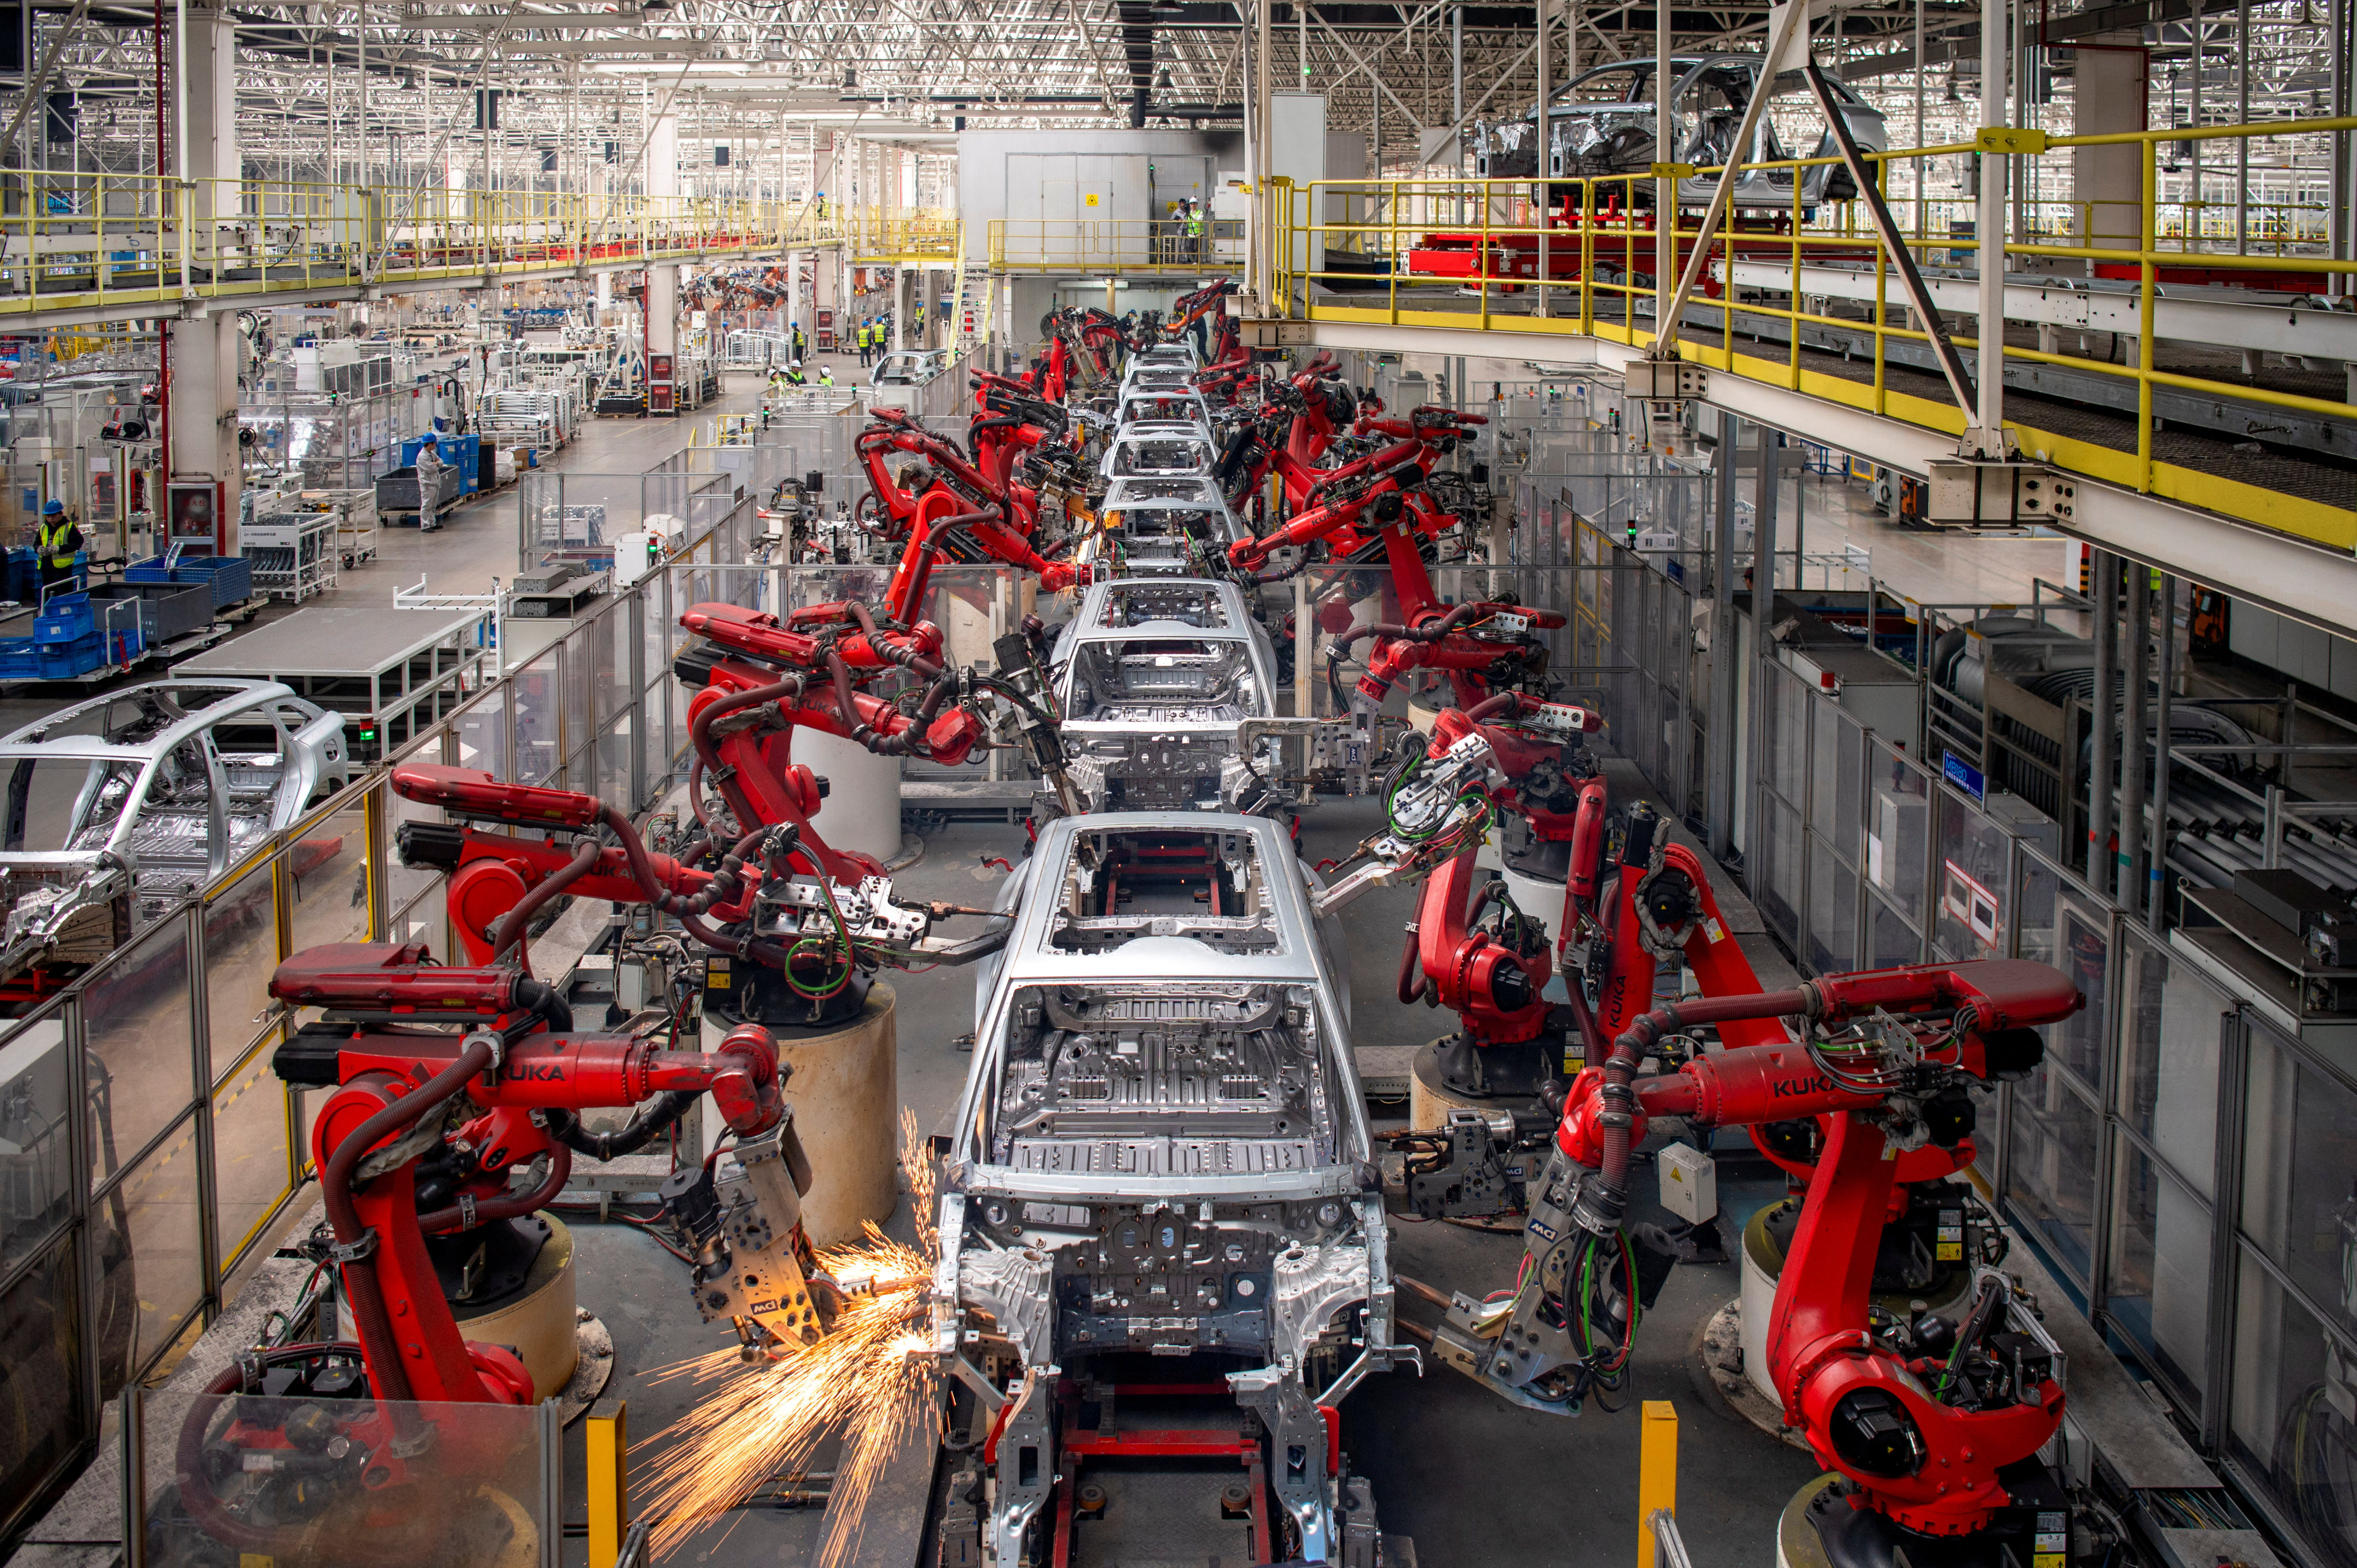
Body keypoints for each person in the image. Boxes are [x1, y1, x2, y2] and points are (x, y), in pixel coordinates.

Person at [34, 498, 79, 595]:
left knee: (63, 594)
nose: (51, 519)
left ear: (61, 514)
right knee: (48, 595)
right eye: (48, 516)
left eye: (54, 516)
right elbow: (36, 544)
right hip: (46, 569)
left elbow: (77, 544)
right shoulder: (44, 528)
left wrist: (60, 549)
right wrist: (38, 549)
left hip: (63, 569)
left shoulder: (69, 527)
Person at [413, 438, 447, 533]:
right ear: (430, 444)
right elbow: (432, 469)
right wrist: (436, 465)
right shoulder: (422, 457)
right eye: (435, 443)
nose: (436, 445)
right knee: (427, 505)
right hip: (427, 485)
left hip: (434, 483)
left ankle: (432, 524)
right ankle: (425, 526)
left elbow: (441, 462)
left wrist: (436, 463)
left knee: (432, 506)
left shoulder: (431, 454)